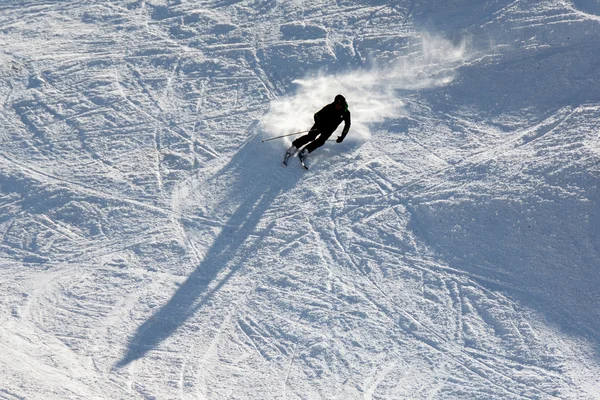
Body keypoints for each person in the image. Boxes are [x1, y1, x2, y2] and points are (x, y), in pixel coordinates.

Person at [285, 94, 351, 165]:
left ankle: (306, 150)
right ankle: (295, 146)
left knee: (321, 141)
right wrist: (319, 124)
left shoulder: (346, 113)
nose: (338, 106)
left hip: (329, 130)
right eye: (337, 104)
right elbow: (317, 114)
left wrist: (342, 137)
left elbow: (347, 125)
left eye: (340, 105)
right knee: (311, 137)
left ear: (343, 104)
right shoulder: (329, 107)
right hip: (319, 125)